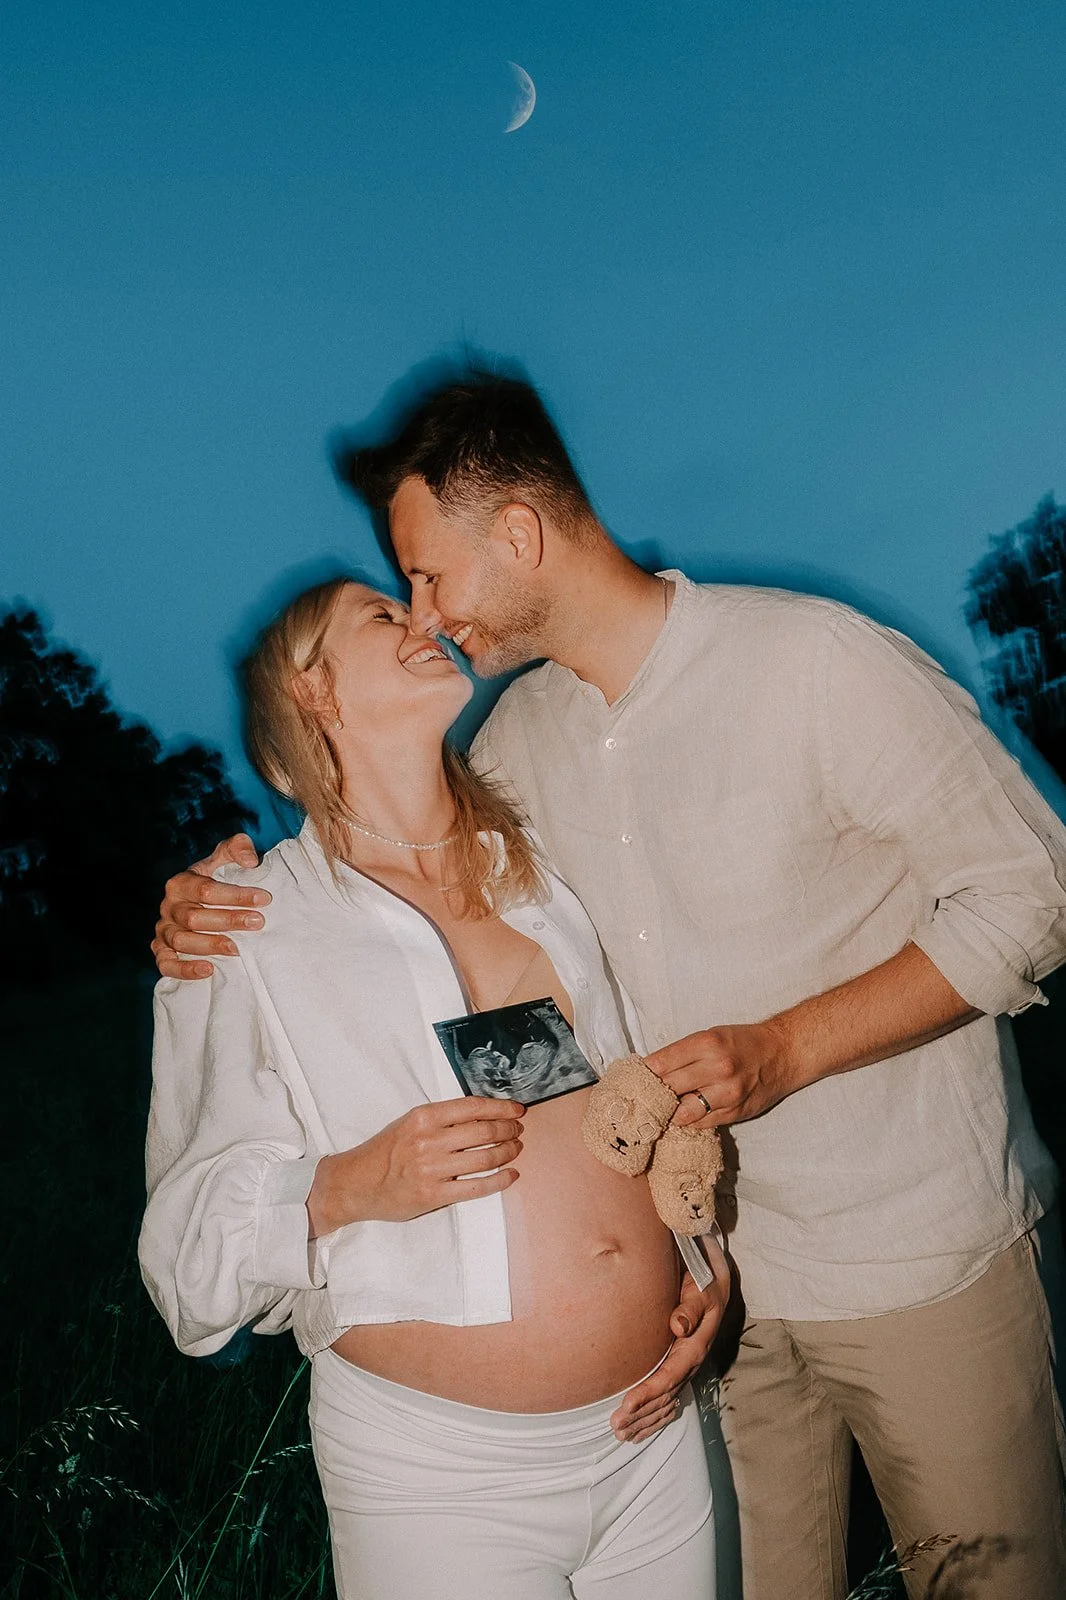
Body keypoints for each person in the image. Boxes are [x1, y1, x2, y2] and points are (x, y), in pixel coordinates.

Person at [154, 373, 1066, 1599]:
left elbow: (1034, 890)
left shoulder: (810, 660)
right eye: (399, 595)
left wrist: (788, 1049)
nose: (426, 616)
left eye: (425, 575)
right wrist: (204, 905)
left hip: (913, 1258)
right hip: (716, 1317)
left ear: (517, 532)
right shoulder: (506, 760)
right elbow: (523, 1040)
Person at [138, 575, 728, 1600]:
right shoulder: (247, 922)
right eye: (381, 615)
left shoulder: (538, 871)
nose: (423, 620)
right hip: (441, 1480)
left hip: (655, 1433)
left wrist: (703, 1266)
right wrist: (346, 1185)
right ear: (311, 689)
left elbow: (630, 1093)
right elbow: (187, 1272)